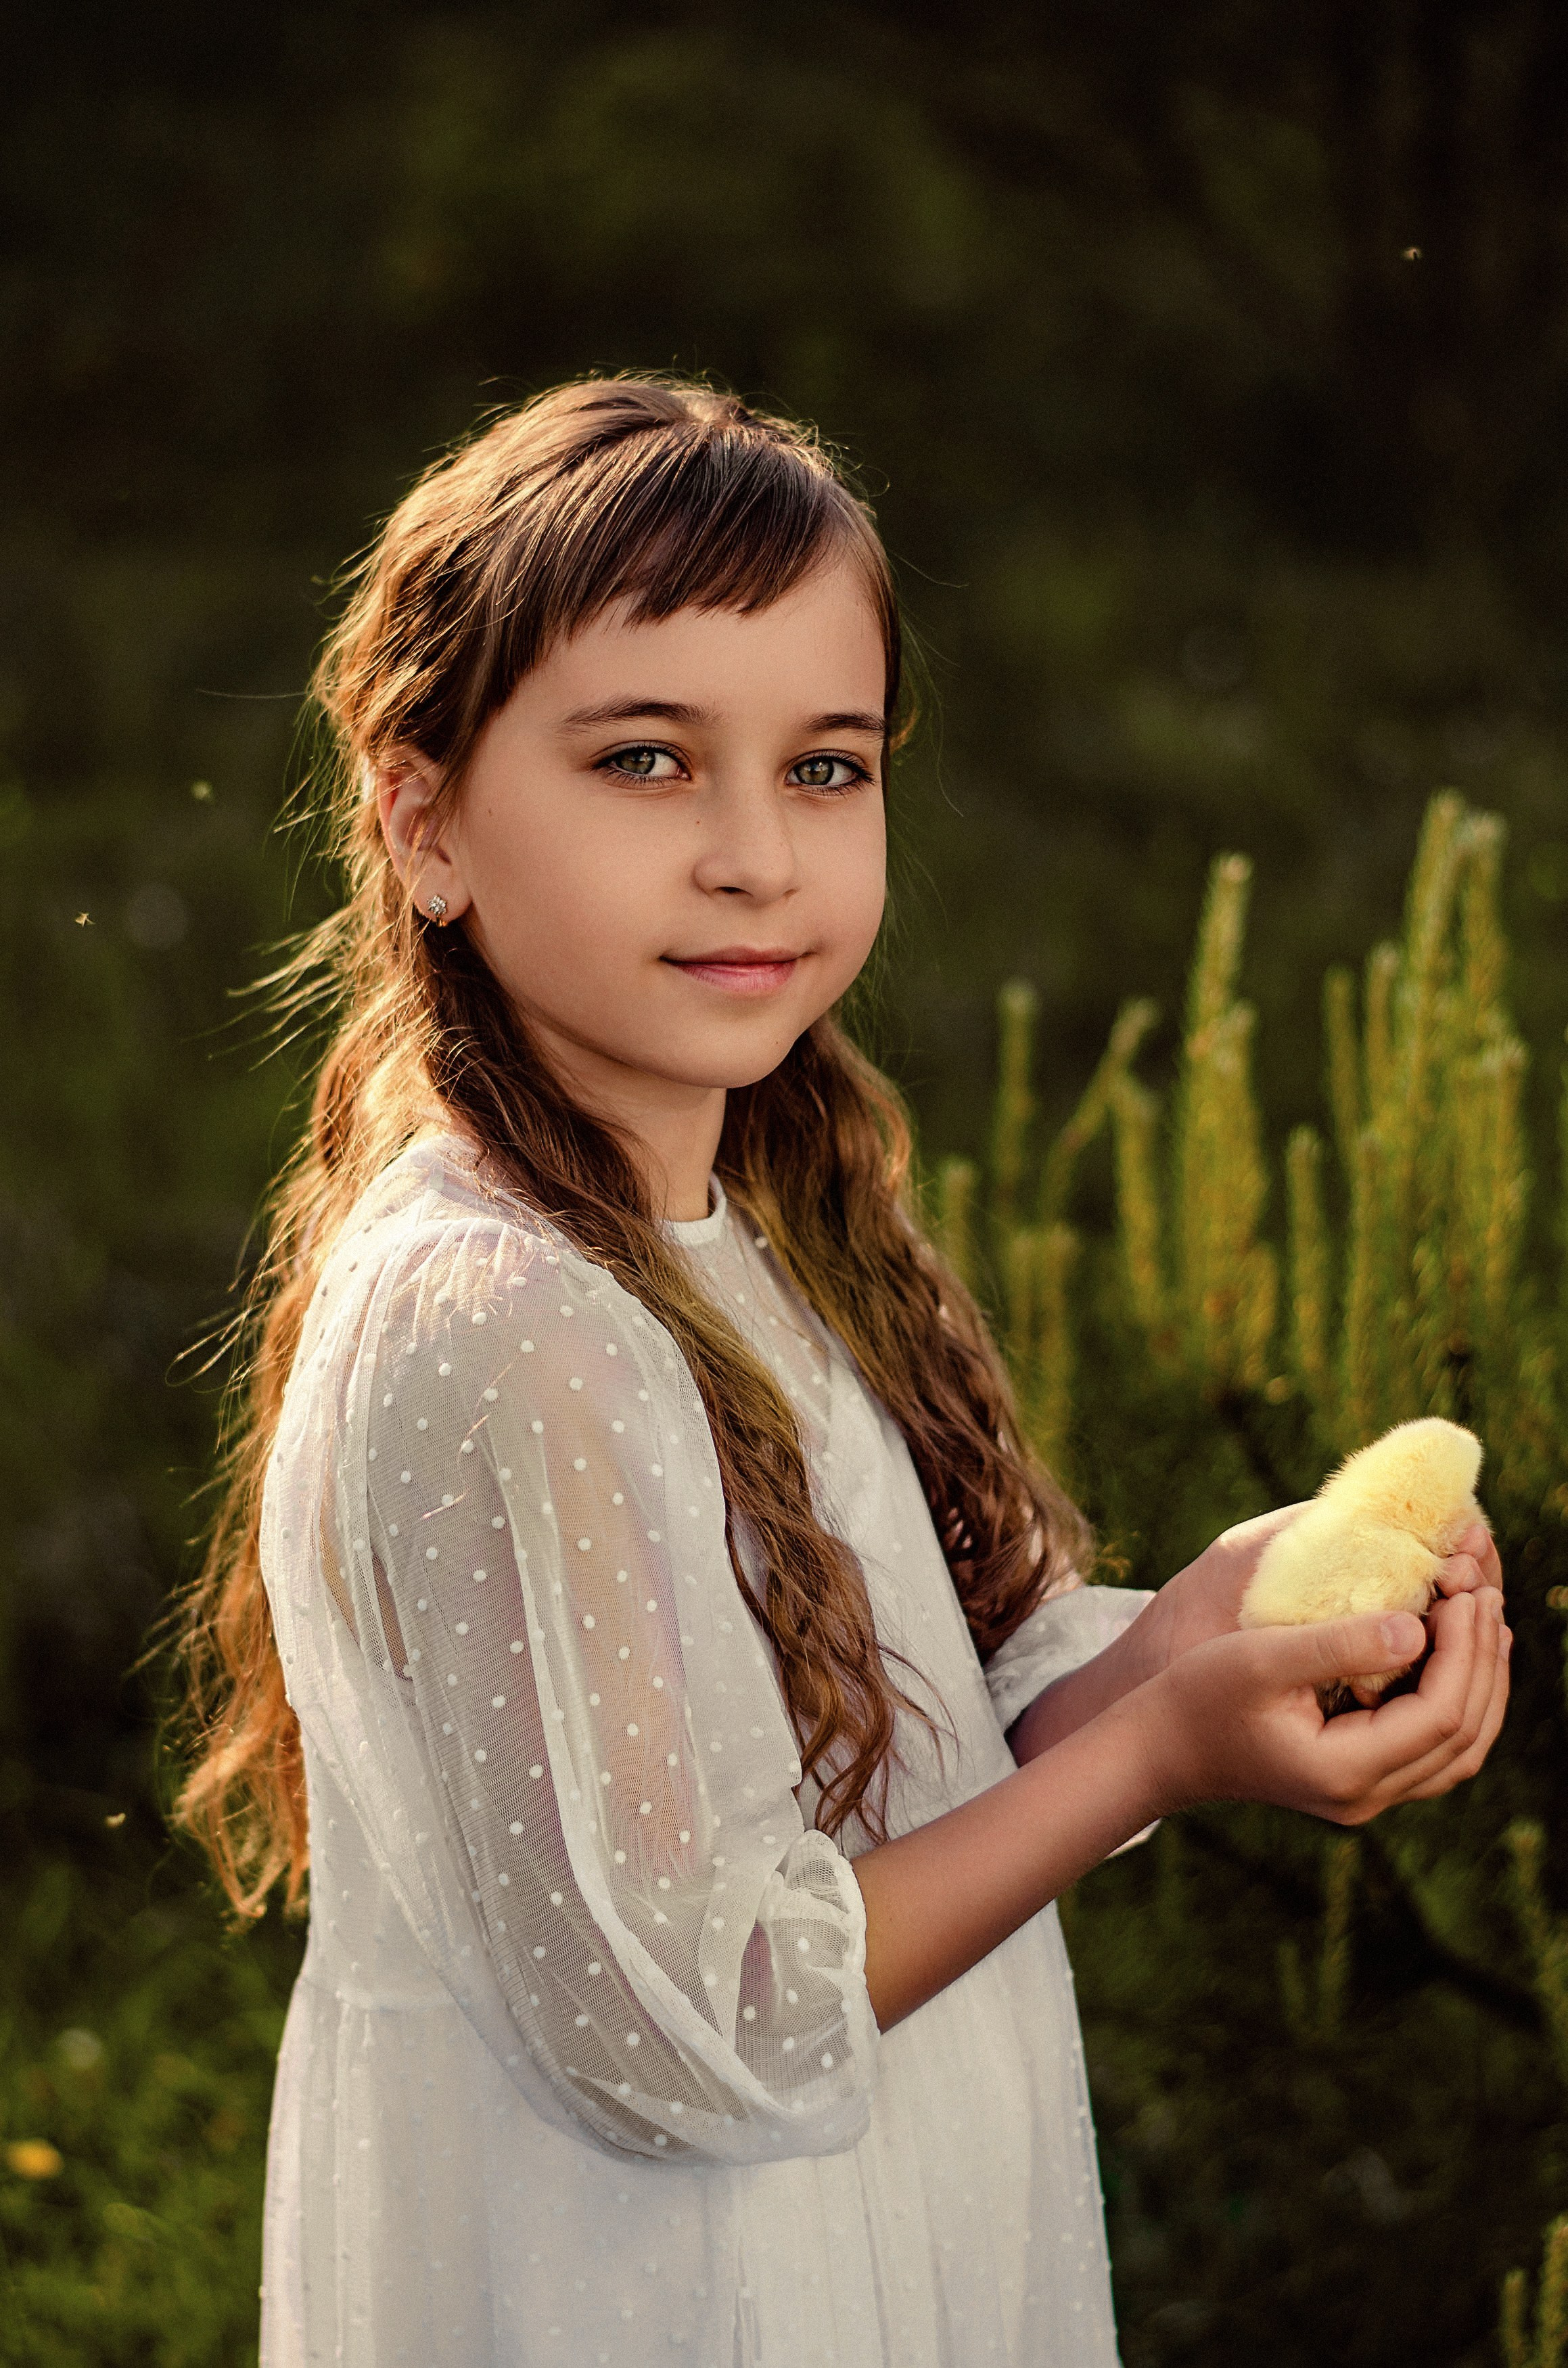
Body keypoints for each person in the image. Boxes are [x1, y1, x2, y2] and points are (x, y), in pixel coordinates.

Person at [172, 378, 1509, 2367]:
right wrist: (1160, 1758)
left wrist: (1177, 1654)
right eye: (644, 759)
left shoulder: (761, 1231)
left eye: (825, 767)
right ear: (422, 814)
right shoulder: (505, 1317)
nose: (751, 856)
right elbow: (695, 2012)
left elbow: (888, 1772)